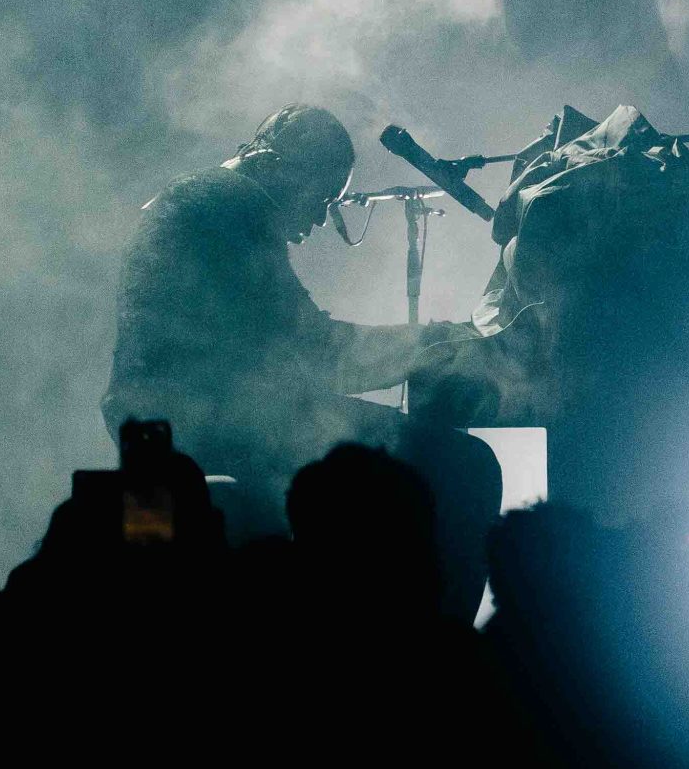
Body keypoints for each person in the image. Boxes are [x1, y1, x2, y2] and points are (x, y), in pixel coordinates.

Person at [102, 105, 501, 614]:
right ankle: (434, 652)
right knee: (463, 467)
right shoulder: (232, 203)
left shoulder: (191, 199)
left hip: (161, 429)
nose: (318, 219)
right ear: (273, 163)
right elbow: (314, 354)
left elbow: (281, 352)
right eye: (321, 198)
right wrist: (436, 343)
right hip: (220, 428)